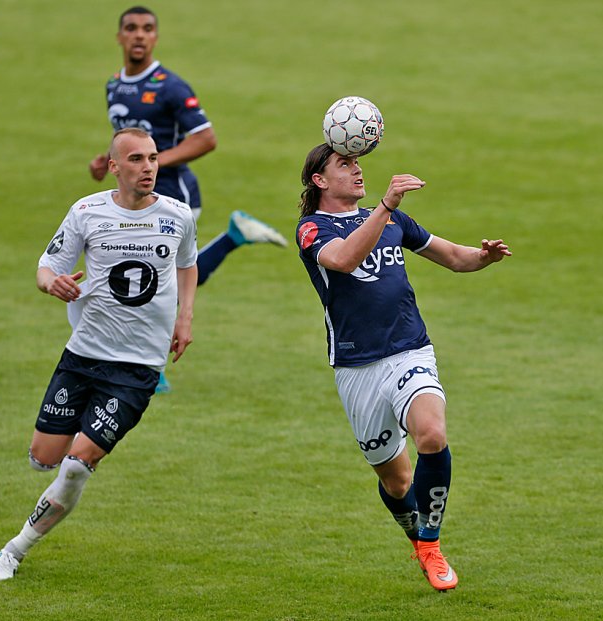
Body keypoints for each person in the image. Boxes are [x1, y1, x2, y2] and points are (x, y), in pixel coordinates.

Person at [0, 128, 198, 581]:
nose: (148, 168)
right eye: (136, 159)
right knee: (44, 458)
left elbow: (187, 262)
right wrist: (52, 284)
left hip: (137, 369)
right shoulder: (86, 211)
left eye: (153, 158)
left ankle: (13, 551)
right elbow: (48, 266)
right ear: (114, 167)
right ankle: (69, 459)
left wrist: (185, 317)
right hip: (81, 356)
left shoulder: (177, 215)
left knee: (78, 466)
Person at [294, 144, 512, 591]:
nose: (358, 171)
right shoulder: (311, 229)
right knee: (397, 482)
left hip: (410, 351)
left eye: (357, 162)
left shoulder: (390, 219)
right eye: (346, 165)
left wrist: (484, 257)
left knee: (431, 434)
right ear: (319, 180)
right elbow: (344, 260)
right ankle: (416, 537)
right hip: (357, 368)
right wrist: (387, 206)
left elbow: (453, 256)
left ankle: (431, 545)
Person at [85, 5, 286, 392]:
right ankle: (233, 236)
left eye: (147, 28)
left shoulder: (170, 86)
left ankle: (147, 362)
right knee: (153, 277)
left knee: (162, 282)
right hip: (139, 196)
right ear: (119, 37)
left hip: (173, 195)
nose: (139, 35)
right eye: (131, 28)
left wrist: (155, 161)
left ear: (156, 37)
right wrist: (107, 161)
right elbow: (128, 140)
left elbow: (206, 138)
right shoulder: (114, 85)